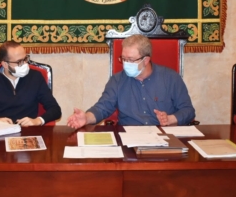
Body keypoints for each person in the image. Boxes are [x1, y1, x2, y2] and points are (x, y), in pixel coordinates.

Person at [67, 34, 195, 128]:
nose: (125, 64)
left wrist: (170, 119)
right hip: (128, 138)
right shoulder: (117, 80)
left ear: (145, 60)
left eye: (130, 60)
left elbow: (188, 111)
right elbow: (103, 107)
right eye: (123, 59)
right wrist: (87, 118)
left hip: (164, 137)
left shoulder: (171, 78)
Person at [0, 41, 61, 126]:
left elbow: (55, 110)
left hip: (29, 133)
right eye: (19, 62)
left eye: (25, 59)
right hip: (0, 134)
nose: (25, 64)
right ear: (5, 64)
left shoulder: (35, 77)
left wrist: (37, 120)